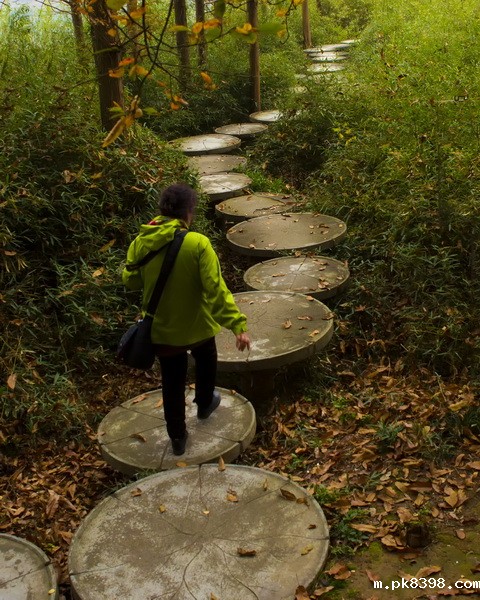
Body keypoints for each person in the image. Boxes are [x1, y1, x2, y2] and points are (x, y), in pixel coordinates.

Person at [122, 183, 251, 456]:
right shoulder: (197, 243)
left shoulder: (141, 242)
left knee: (172, 380)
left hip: (163, 330)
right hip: (197, 326)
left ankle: (177, 437)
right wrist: (237, 325)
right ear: (189, 212)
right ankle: (204, 403)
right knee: (206, 357)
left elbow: (131, 281)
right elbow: (216, 290)